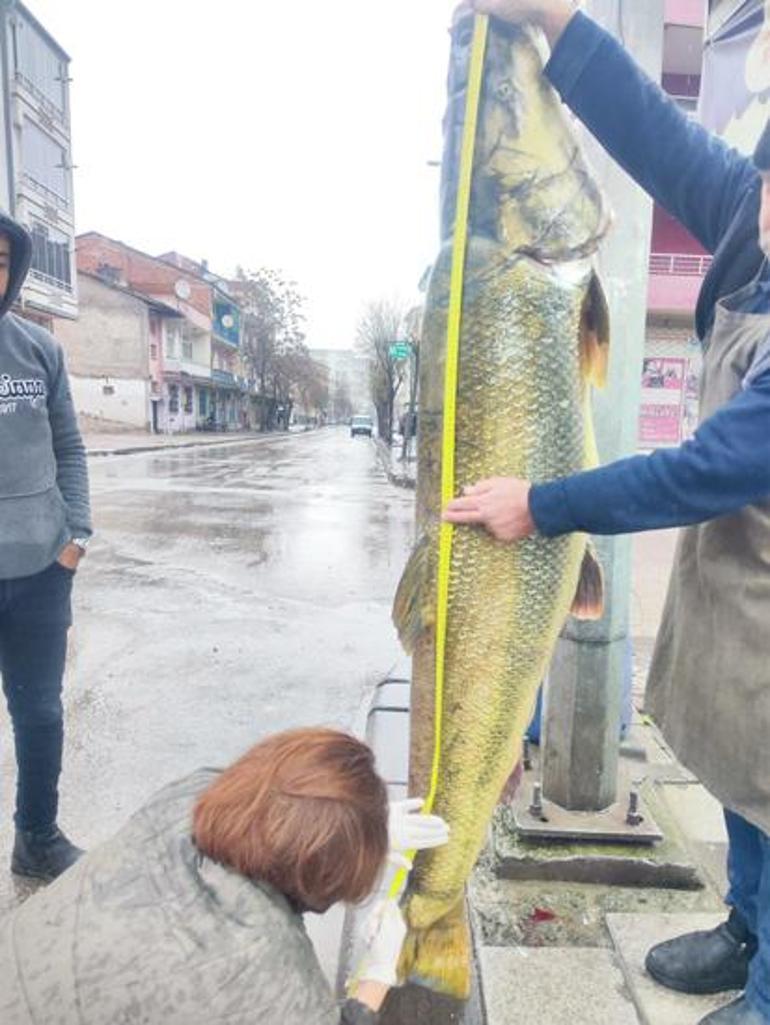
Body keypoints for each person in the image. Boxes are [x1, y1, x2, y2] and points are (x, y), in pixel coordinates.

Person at [445, 4, 770, 1024]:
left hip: (740, 537)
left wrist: (540, 504)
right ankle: (745, 926)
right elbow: (651, 132)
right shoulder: (749, 214)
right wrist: (551, 20)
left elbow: (701, 469)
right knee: (730, 762)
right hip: (736, 570)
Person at [0, 726, 449, 1024]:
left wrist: (358, 823)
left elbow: (279, 788)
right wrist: (376, 976)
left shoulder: (183, 800)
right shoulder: (267, 974)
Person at [0, 210, 92, 882]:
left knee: (39, 713)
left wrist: (75, 535)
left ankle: (37, 835)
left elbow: (68, 446)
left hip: (38, 570)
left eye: (3, 259)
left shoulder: (38, 349)